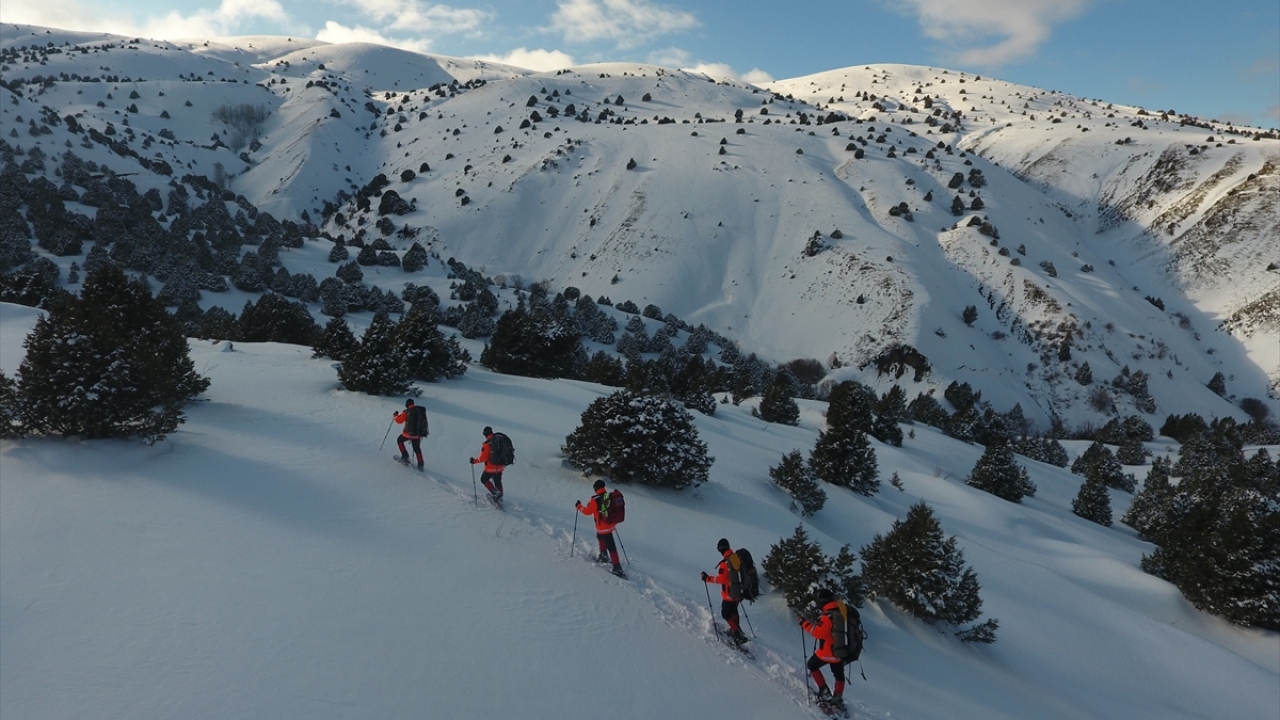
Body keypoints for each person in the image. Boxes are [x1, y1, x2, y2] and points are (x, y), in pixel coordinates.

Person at [800, 587, 848, 710]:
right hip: (840, 650)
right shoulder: (841, 610)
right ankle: (838, 697)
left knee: (812, 665)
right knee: (839, 674)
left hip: (828, 651)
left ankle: (824, 691)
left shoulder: (827, 616)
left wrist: (804, 623)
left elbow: (818, 633)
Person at [701, 538, 749, 645]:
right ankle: (737, 629)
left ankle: (737, 634)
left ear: (720, 549)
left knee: (725, 613)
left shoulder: (725, 563)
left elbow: (721, 579)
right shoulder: (734, 558)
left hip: (729, 594)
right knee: (733, 611)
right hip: (738, 592)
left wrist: (707, 578)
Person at [576, 479, 625, 577]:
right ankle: (603, 555)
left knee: (611, 545)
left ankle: (617, 568)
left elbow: (587, 512)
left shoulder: (595, 499)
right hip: (611, 524)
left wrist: (579, 506)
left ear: (595, 488)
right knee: (599, 536)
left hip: (603, 526)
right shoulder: (609, 496)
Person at [469, 426, 505, 501]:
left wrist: (474, 461)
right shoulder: (499, 440)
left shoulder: (487, 444)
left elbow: (483, 458)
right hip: (500, 466)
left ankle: (496, 493)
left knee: (483, 479)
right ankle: (500, 496)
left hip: (490, 468)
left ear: (485, 434)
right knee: (498, 481)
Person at [393, 398, 427, 470]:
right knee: (417, 448)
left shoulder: (407, 412)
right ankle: (420, 464)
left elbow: (399, 421)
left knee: (399, 440)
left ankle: (405, 457)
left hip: (407, 434)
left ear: (406, 404)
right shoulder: (419, 411)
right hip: (417, 434)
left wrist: (395, 415)